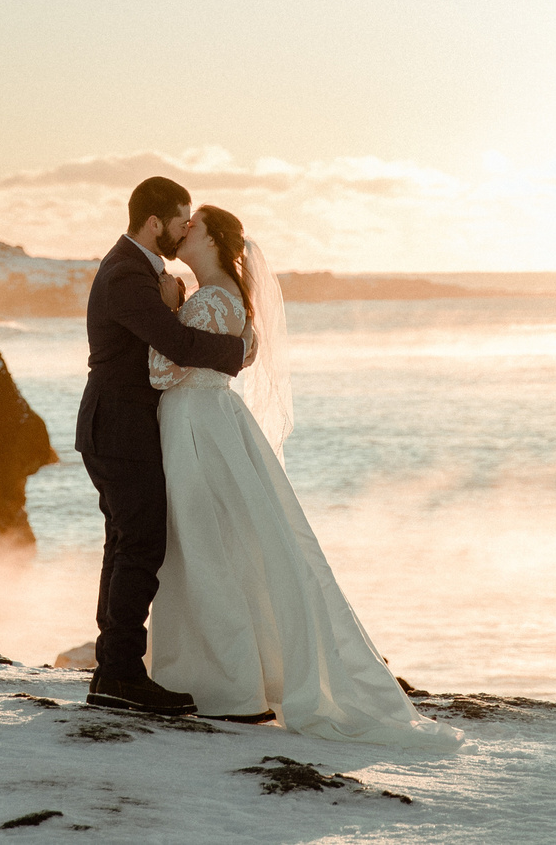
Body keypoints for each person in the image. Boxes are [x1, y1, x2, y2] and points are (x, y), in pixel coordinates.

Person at [146, 204, 460, 751]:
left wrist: (167, 310)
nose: (183, 230)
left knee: (202, 548)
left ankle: (231, 689)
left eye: (192, 225)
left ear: (215, 242)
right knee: (228, 547)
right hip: (213, 422)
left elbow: (158, 371)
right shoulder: (229, 301)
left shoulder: (208, 302)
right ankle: (242, 681)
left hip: (196, 426)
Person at [75, 176, 251, 716]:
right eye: (180, 222)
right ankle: (121, 674)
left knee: (127, 544)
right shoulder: (128, 274)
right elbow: (173, 345)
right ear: (155, 222)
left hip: (122, 429)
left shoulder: (140, 270)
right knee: (141, 546)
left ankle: (115, 670)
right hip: (120, 430)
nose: (183, 232)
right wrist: (237, 350)